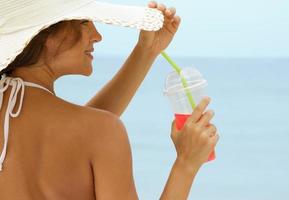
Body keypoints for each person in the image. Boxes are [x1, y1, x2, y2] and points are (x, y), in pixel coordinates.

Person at [0, 0, 219, 199]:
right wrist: (186, 164)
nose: (97, 35)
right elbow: (91, 133)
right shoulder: (101, 131)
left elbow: (84, 134)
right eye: (85, 22)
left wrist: (146, 52)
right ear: (46, 33)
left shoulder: (92, 130)